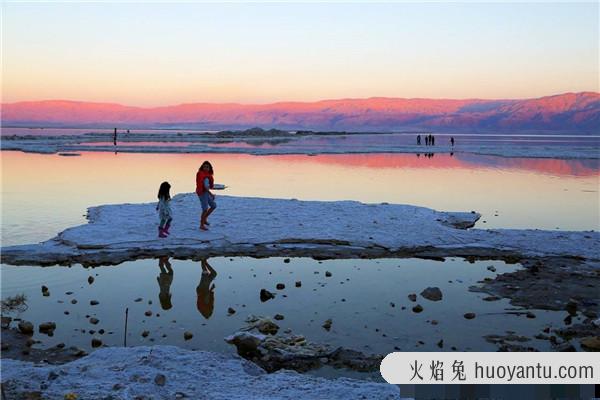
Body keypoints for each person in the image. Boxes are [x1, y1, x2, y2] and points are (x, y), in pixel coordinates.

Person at [196, 161, 217, 231]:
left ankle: (204, 219)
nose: (206, 168)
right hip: (202, 193)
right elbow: (204, 187)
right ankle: (201, 225)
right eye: (204, 167)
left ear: (210, 168)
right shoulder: (201, 174)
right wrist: (211, 194)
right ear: (202, 167)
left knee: (213, 205)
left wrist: (210, 193)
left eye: (207, 167)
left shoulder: (208, 175)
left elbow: (207, 187)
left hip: (206, 192)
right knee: (205, 209)